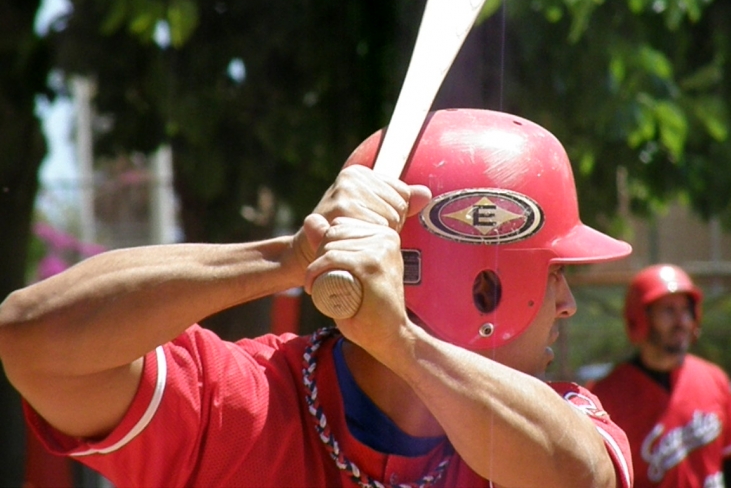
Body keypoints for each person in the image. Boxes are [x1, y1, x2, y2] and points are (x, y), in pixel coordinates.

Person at [0, 108, 634, 488]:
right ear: (484, 288)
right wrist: (291, 257)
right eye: (554, 271)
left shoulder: (558, 421)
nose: (567, 302)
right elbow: (30, 339)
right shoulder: (249, 403)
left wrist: (402, 343)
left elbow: (583, 479)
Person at [591, 263, 731, 488]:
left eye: (685, 310)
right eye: (668, 310)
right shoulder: (605, 397)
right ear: (640, 318)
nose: (681, 321)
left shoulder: (713, 379)